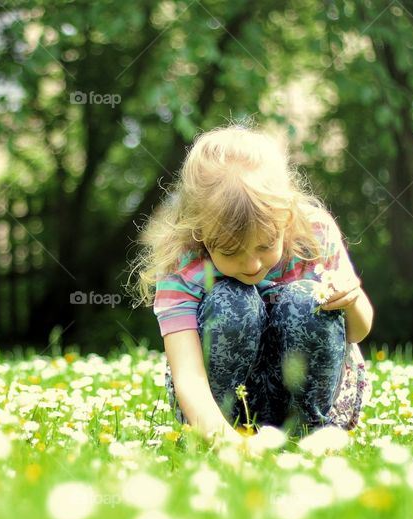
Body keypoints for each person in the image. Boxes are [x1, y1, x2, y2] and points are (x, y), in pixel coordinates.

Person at [130, 123, 374, 446]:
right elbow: (188, 375)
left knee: (306, 301)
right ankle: (224, 428)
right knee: (230, 302)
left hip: (308, 395)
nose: (253, 265)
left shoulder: (314, 235)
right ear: (201, 232)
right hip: (217, 407)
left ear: (286, 217)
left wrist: (352, 299)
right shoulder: (185, 260)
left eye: (264, 246)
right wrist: (227, 444)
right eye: (231, 252)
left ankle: (311, 433)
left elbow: (357, 331)